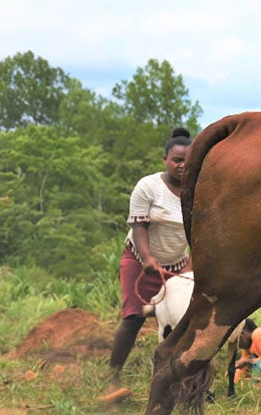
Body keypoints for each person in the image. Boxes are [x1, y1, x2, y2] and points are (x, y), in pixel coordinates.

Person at [106, 127, 193, 388]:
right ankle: (112, 376)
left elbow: (199, 235)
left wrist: (189, 270)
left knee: (182, 321)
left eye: (188, 161)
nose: (183, 166)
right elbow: (139, 225)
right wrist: (147, 258)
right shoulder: (148, 186)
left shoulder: (198, 190)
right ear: (165, 159)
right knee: (133, 317)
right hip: (141, 261)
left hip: (178, 267)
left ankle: (178, 378)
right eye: (177, 160)